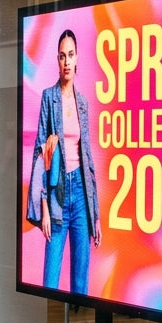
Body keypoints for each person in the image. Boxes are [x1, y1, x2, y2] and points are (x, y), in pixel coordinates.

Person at [27, 29, 101, 295]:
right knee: (50, 281)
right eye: (62, 56)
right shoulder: (49, 97)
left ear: (77, 58)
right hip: (57, 194)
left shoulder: (82, 102)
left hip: (81, 193)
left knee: (81, 282)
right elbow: (40, 152)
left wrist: (96, 215)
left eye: (71, 55)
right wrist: (44, 206)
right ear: (57, 61)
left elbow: (88, 159)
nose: (67, 61)